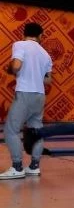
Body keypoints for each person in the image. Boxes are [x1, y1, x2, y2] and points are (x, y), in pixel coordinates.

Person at [1, 23, 53, 180]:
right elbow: (48, 80)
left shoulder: (20, 44)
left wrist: (10, 69)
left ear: (25, 33)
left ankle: (17, 167)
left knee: (11, 130)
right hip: (40, 95)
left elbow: (16, 66)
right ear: (40, 35)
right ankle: (34, 167)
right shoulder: (45, 54)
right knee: (35, 130)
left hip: (25, 93)